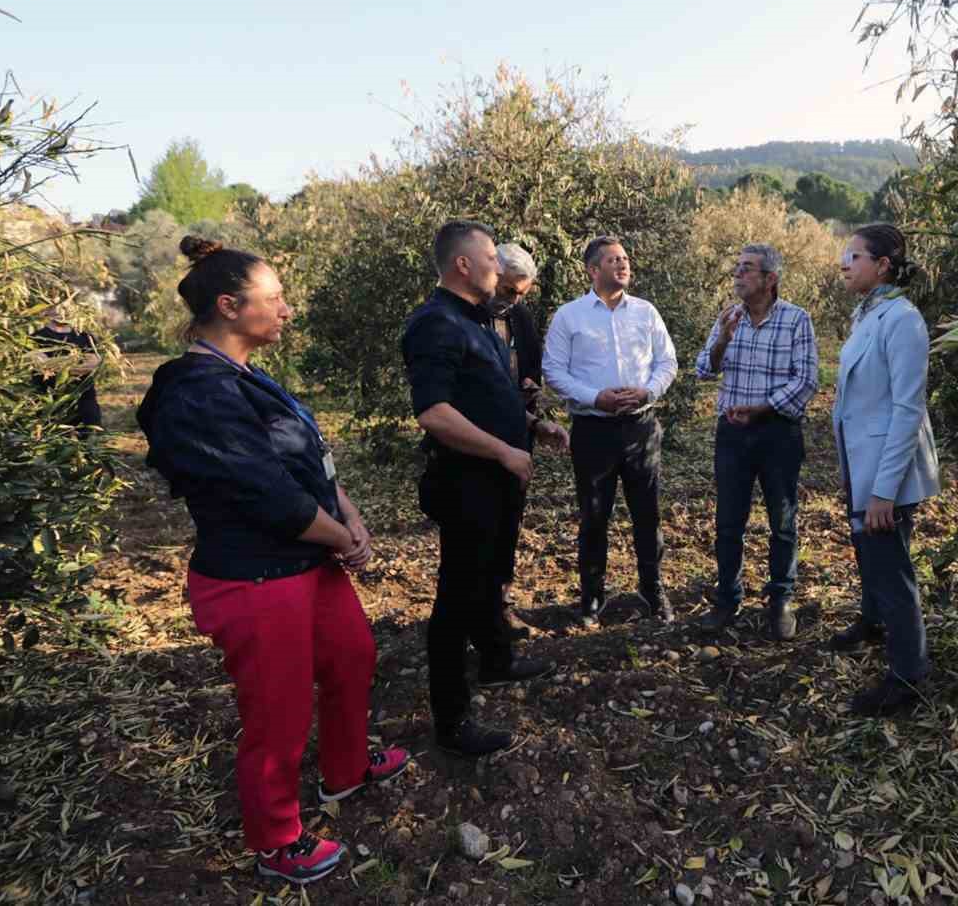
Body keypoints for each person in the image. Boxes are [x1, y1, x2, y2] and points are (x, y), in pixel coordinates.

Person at [137, 236, 406, 887]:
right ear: (229, 306)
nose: (287, 311)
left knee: (352, 657)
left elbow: (307, 459)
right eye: (275, 300)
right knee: (278, 713)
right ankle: (276, 839)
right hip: (256, 577)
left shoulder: (248, 376)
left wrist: (348, 514)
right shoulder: (195, 394)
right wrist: (339, 536)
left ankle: (344, 772)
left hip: (308, 562)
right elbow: (267, 494)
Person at [402, 221, 568, 758]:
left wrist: (532, 427)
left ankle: (496, 661)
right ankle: (452, 721)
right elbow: (435, 412)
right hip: (466, 480)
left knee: (492, 574)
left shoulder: (480, 322)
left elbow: (488, 399)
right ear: (463, 265)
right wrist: (502, 450)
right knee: (457, 598)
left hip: (498, 478)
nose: (500, 265)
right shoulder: (435, 324)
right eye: (492, 256)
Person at [828, 223, 940, 716]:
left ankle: (908, 677)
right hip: (862, 456)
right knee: (869, 554)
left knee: (890, 568)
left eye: (853, 257)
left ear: (883, 267)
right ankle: (872, 622)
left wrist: (883, 492)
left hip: (884, 469)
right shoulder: (868, 312)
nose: (844, 264)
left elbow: (907, 409)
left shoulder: (903, 320)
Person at [541, 235, 678, 626]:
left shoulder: (646, 312)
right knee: (594, 516)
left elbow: (667, 362)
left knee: (647, 516)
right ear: (592, 270)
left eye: (625, 258)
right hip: (593, 431)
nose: (623, 265)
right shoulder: (570, 316)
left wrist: (648, 391)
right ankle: (592, 598)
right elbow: (554, 370)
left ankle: (653, 591)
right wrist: (594, 397)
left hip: (641, 429)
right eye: (613, 260)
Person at [694, 244, 818, 641]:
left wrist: (763, 408)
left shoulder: (797, 320)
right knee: (728, 521)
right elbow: (703, 369)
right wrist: (722, 341)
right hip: (732, 435)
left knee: (782, 521)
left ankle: (780, 599)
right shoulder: (729, 318)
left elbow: (807, 380)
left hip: (778, 433)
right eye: (737, 268)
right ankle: (727, 599)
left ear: (770, 279)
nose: (738, 275)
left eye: (747, 269)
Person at [489, 242, 544, 639]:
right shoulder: (463, 319)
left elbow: (532, 367)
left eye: (521, 294)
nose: (513, 300)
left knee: (510, 519)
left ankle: (502, 603)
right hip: (476, 440)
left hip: (518, 434)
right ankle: (479, 610)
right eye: (508, 291)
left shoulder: (520, 316)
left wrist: (529, 387)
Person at [30, 306, 104, 435]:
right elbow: (40, 362)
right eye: (56, 306)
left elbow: (93, 362)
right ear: (46, 311)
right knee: (52, 442)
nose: (61, 311)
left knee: (88, 440)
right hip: (48, 403)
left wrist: (59, 366)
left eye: (65, 306)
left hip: (83, 401)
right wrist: (73, 363)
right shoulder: (35, 338)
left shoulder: (85, 337)